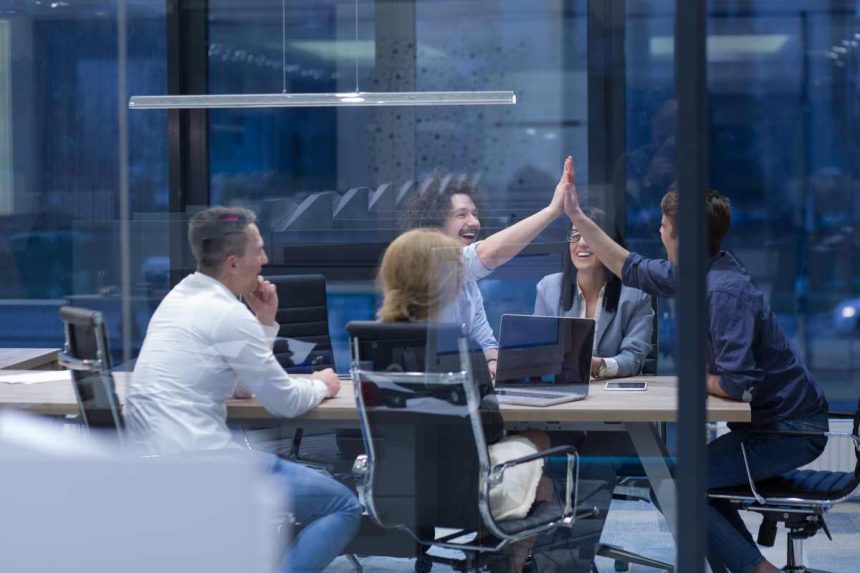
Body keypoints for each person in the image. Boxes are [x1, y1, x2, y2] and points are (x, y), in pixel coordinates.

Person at [560, 157, 829, 573]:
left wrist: (693, 377)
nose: (659, 231)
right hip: (775, 425)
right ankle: (748, 566)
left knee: (677, 484)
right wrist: (577, 216)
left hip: (791, 431)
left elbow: (738, 385)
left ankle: (759, 570)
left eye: (664, 225)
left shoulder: (722, 292)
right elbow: (630, 267)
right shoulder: (700, 271)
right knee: (678, 483)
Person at [124, 207, 362, 573]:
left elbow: (241, 387)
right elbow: (285, 402)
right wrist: (321, 385)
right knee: (344, 506)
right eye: (259, 251)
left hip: (150, 465)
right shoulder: (226, 313)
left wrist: (264, 323)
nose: (265, 260)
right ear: (233, 263)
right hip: (201, 467)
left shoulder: (179, 298)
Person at [376, 228, 555, 573]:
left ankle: (493, 558)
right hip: (464, 489)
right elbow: (491, 429)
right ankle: (502, 563)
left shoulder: (372, 342)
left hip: (397, 485)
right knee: (539, 450)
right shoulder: (458, 349)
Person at [400, 161, 573, 378]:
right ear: (436, 222)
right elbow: (487, 255)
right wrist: (552, 211)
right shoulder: (429, 262)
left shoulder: (468, 285)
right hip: (425, 386)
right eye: (461, 215)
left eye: (475, 214)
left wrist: (494, 361)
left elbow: (487, 344)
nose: (474, 222)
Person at [534, 209, 653, 379]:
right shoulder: (548, 288)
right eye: (575, 235)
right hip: (564, 386)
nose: (582, 242)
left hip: (613, 389)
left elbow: (633, 358)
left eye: (590, 235)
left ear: (610, 244)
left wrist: (600, 365)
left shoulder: (635, 294)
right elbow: (538, 351)